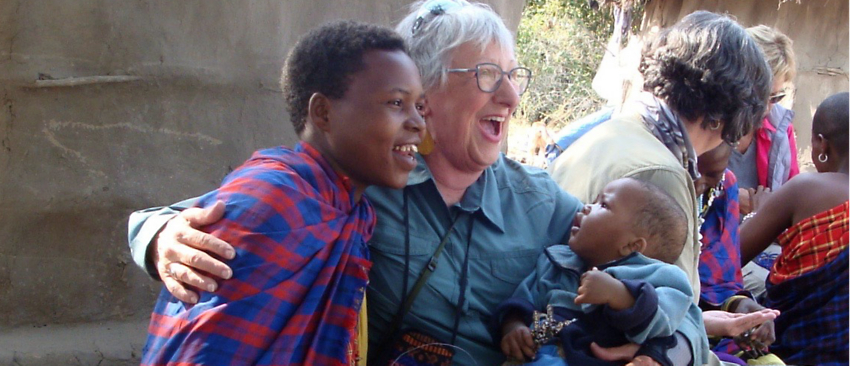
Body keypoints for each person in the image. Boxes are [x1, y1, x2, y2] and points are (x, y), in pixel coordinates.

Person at [128, 1, 588, 365]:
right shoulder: (361, 177)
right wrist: (161, 237)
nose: (509, 97)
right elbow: (223, 214)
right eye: (487, 76)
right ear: (424, 93)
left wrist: (647, 332)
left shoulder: (541, 201)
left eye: (513, 76)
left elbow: (636, 255)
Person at [139, 20, 426, 366]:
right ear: (323, 112)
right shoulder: (270, 201)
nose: (418, 124)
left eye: (419, 107)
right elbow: (200, 353)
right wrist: (155, 232)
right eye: (396, 102)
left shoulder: (353, 210)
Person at [547, 9, 772, 366]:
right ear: (731, 114)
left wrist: (705, 323)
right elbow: (667, 323)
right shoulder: (659, 173)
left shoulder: (618, 130)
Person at [498, 178, 708, 366]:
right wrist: (513, 326)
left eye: (603, 204)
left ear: (631, 246)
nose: (586, 207)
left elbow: (665, 320)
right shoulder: (556, 261)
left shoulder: (659, 277)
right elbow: (523, 299)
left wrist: (621, 295)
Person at [739, 92, 849, 366]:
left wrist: (757, 213)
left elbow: (728, 258)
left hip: (796, 355)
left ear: (821, 144)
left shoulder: (805, 189)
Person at [695, 143, 782, 365]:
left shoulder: (723, 188)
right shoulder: (651, 199)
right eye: (692, 173)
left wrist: (738, 306)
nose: (698, 186)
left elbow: (718, 284)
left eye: (713, 176)